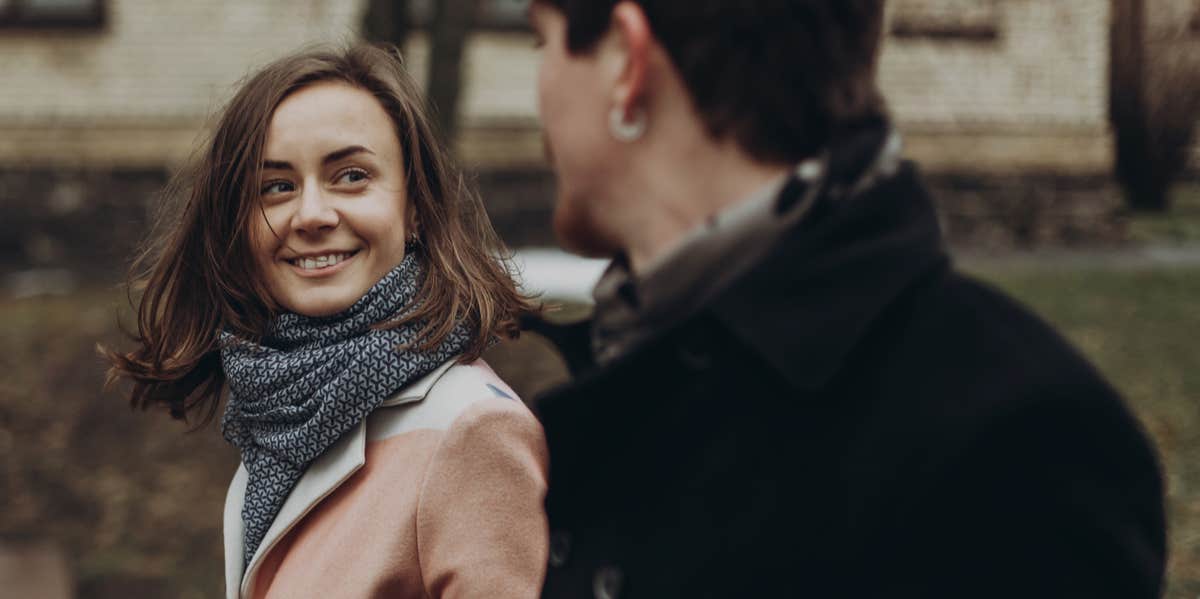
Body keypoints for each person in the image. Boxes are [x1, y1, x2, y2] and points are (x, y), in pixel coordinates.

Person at [525, 1, 1167, 597]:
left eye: (541, 40)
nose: (539, 90)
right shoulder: (621, 360)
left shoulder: (1022, 453)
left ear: (627, 63)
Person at [104, 45, 549, 599]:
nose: (312, 214)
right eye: (277, 186)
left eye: (351, 175)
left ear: (414, 208)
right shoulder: (275, 423)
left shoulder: (472, 432)